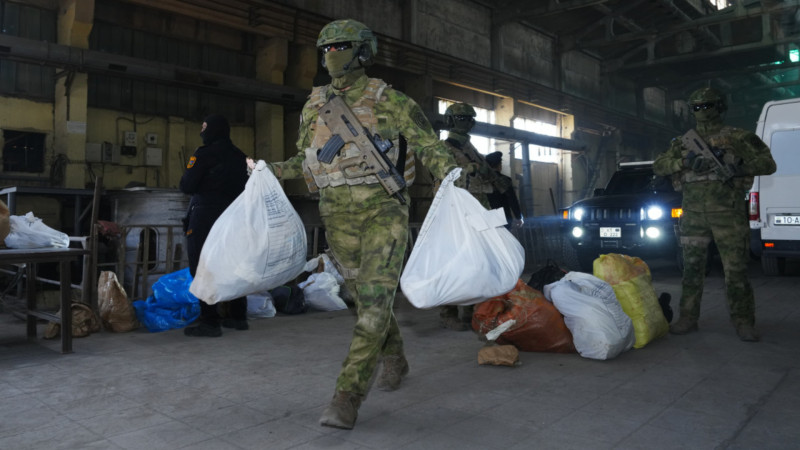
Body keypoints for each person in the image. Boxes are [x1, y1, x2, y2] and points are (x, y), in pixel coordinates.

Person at [265, 19, 457, 429]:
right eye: (326, 49)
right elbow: (306, 160)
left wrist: (452, 173)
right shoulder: (314, 103)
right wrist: (269, 171)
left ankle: (346, 397)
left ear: (363, 51)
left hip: (383, 210)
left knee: (373, 303)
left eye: (341, 47)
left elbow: (427, 144)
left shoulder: (391, 100)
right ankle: (396, 357)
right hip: (336, 213)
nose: (331, 56)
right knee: (365, 303)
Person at [653, 87, 776, 342]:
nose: (702, 111)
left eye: (707, 105)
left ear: (720, 107)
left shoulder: (737, 137)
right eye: (696, 107)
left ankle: (744, 322)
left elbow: (768, 163)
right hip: (694, 215)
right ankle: (688, 318)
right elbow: (659, 165)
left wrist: (737, 168)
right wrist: (684, 162)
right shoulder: (683, 142)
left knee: (736, 271)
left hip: (728, 215)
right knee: (692, 271)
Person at [180, 114, 250, 337]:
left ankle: (210, 321)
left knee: (203, 266)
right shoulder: (240, 156)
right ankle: (238, 317)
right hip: (234, 217)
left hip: (206, 217)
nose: (201, 131)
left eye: (204, 127)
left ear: (212, 129)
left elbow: (187, 185)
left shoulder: (204, 154)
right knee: (234, 265)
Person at [437, 102, 499, 331]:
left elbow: (489, 177)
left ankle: (471, 309)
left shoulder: (470, 147)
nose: (466, 123)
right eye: (461, 118)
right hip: (455, 210)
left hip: (478, 209)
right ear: (451, 120)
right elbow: (441, 174)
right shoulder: (445, 147)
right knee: (453, 261)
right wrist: (470, 170)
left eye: (468, 119)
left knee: (478, 261)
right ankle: (448, 311)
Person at [485, 151, 523, 229]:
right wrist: (518, 217)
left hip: (485, 217)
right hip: (503, 218)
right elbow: (512, 199)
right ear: (499, 165)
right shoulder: (504, 180)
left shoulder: (481, 179)